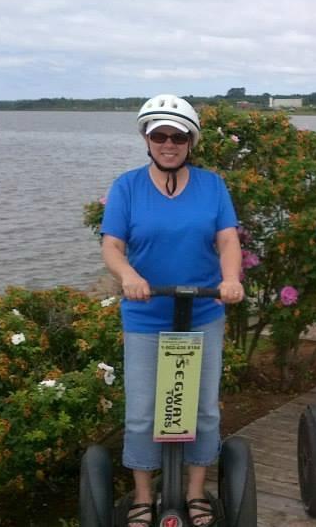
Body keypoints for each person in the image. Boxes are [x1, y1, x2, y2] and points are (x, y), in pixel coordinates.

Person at [100, 94, 244, 527]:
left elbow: (227, 240)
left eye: (177, 136)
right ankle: (144, 496)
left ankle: (197, 492)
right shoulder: (127, 186)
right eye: (159, 135)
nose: (168, 143)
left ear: (190, 141)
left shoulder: (211, 185)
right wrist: (127, 275)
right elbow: (112, 245)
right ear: (147, 139)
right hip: (146, 315)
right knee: (143, 410)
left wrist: (231, 279)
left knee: (203, 409)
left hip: (202, 312)